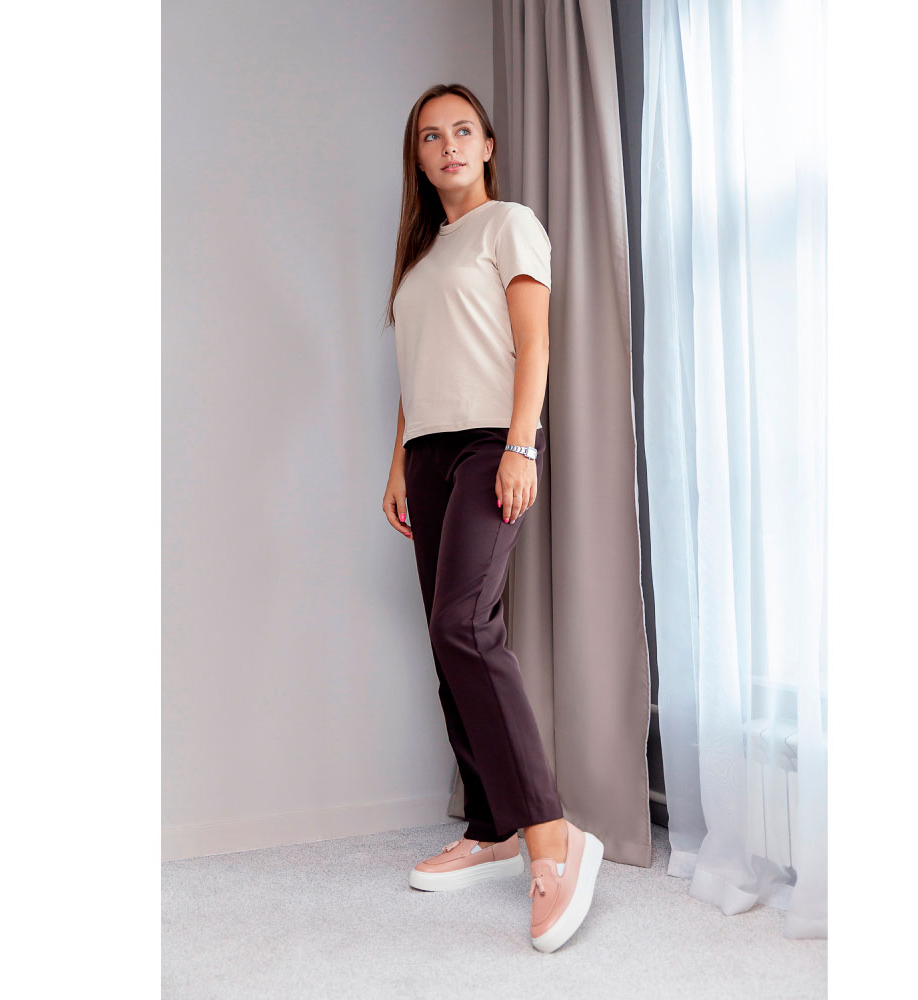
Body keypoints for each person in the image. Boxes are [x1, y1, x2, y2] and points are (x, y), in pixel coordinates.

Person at [380, 83, 603, 953]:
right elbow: (416, 370)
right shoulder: (420, 254)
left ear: (487, 145)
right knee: (448, 644)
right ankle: (490, 826)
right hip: (428, 456)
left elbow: (534, 341)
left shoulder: (510, 224)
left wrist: (521, 447)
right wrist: (398, 464)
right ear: (419, 155)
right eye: (431, 136)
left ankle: (551, 836)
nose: (448, 146)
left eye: (462, 131)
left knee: (464, 627)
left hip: (487, 445)